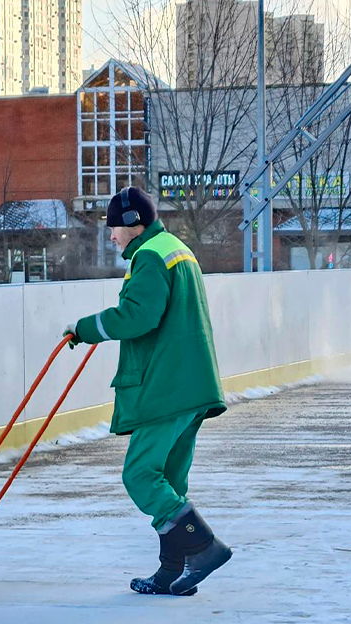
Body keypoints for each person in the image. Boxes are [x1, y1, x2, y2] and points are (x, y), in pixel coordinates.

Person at [64, 187, 232, 596]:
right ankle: (172, 571)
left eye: (114, 228)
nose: (111, 237)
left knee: (140, 474)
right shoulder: (177, 249)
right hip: (191, 385)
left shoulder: (151, 254)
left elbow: (139, 316)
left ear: (134, 222)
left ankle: (204, 547)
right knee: (170, 482)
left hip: (167, 386)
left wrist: (85, 329)